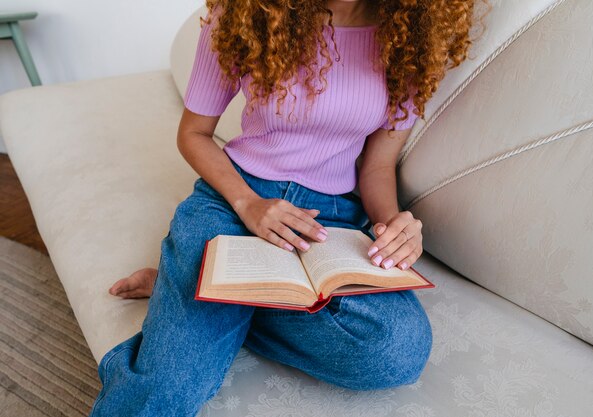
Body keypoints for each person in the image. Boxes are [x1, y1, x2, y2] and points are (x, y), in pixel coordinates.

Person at [90, 0, 488, 415]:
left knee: (394, 351)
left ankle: (193, 290)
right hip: (234, 198)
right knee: (167, 386)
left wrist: (392, 225)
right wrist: (248, 204)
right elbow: (194, 133)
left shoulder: (413, 37)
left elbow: (378, 165)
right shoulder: (245, 11)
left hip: (331, 218)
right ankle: (196, 291)